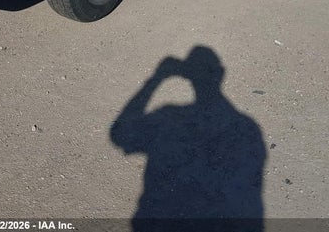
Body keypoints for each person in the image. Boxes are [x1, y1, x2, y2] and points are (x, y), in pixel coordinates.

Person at [110, 46, 266, 231]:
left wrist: (157, 78)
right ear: (221, 73)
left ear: (186, 76)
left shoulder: (169, 118)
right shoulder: (247, 128)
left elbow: (120, 134)